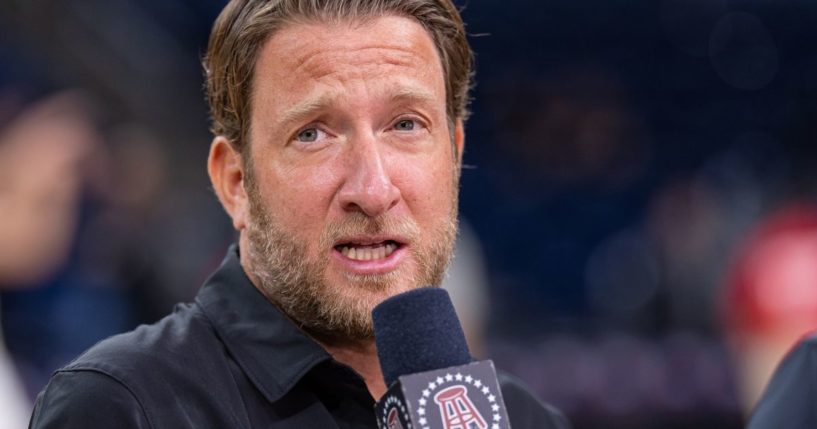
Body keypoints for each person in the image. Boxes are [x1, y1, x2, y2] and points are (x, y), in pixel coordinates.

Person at [29, 1, 570, 427]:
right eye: (312, 133)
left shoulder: (523, 419)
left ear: (454, 154)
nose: (374, 189)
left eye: (406, 125)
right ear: (235, 183)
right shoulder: (122, 409)